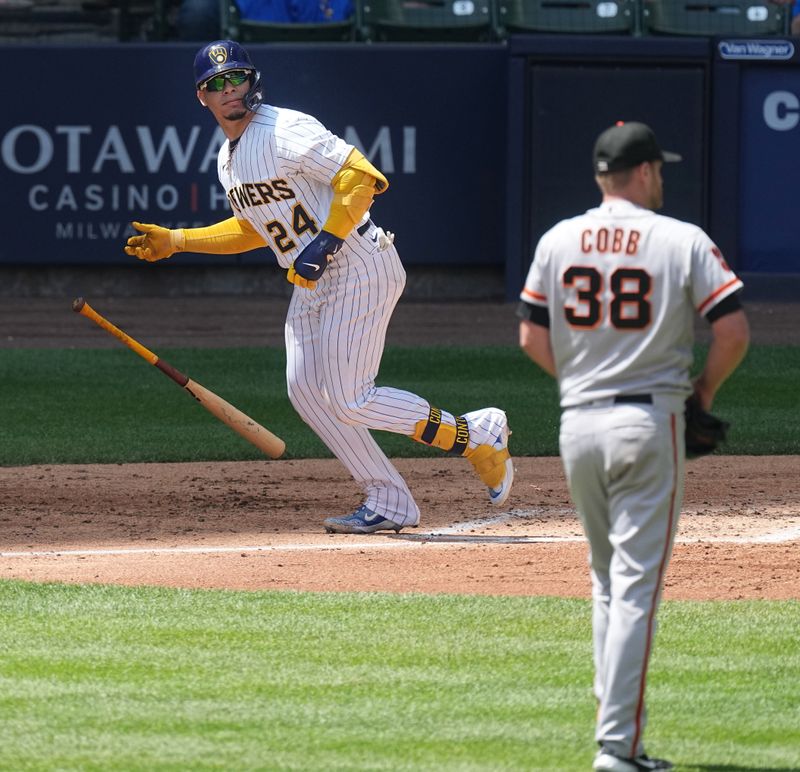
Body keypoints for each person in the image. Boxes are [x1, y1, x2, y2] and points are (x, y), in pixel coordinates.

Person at [124, 39, 513, 534]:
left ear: (253, 80)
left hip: (357, 263)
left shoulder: (284, 129)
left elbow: (361, 177)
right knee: (307, 391)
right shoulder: (229, 158)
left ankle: (477, 432)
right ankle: (390, 501)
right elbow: (254, 228)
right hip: (313, 281)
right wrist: (178, 240)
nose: (228, 89)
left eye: (235, 77)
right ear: (202, 98)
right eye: (215, 84)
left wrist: (326, 241)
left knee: (351, 398)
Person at [517, 121, 750, 771]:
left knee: (605, 584)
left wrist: (588, 382)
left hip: (578, 425)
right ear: (645, 172)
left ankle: (618, 739)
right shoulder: (681, 239)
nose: (663, 179)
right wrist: (702, 391)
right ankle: (617, 749)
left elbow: (532, 339)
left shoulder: (559, 238)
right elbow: (731, 331)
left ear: (601, 177)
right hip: (649, 425)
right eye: (660, 170)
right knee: (636, 589)